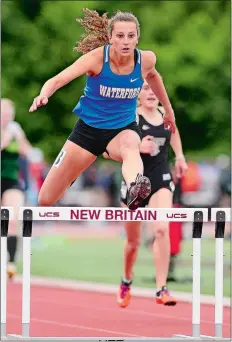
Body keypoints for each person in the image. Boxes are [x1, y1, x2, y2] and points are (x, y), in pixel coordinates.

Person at [29, 9, 176, 210]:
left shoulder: (146, 60)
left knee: (131, 145)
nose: (126, 42)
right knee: (45, 199)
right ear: (110, 38)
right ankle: (72, 173)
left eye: (131, 36)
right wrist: (43, 94)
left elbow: (154, 77)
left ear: (137, 39)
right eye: (120, 36)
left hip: (122, 129)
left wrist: (168, 110)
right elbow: (58, 79)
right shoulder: (96, 59)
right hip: (88, 131)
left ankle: (136, 187)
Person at [117, 81, 188, 308]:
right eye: (145, 88)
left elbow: (173, 132)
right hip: (135, 182)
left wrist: (180, 156)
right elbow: (115, 148)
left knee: (161, 228)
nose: (150, 92)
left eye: (154, 89)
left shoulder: (166, 114)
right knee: (133, 242)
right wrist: (137, 149)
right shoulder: (130, 118)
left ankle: (161, 288)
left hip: (160, 181)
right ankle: (127, 279)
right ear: (138, 94)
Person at [1, 98, 34, 278]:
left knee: (12, 219)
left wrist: (21, 141)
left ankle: (11, 263)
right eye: (2, 114)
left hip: (11, 180)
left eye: (8, 115)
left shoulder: (15, 129)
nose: (6, 118)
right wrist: (5, 140)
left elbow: (27, 151)